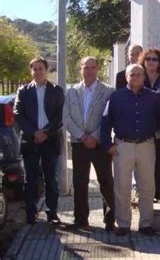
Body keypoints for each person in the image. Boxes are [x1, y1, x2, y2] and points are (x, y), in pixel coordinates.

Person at [101, 64, 160, 236]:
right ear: (126, 77)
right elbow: (106, 121)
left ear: (144, 77)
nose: (136, 77)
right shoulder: (116, 97)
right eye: (132, 74)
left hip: (146, 145)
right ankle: (123, 224)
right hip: (123, 146)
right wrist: (108, 144)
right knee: (122, 186)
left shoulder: (153, 97)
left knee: (147, 186)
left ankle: (146, 224)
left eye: (139, 74)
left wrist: (151, 129)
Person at [63, 56, 115, 231]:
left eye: (93, 67)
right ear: (80, 69)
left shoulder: (108, 91)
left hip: (100, 143)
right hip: (79, 143)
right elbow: (66, 117)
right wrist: (83, 136)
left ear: (97, 69)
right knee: (79, 182)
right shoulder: (72, 92)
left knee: (106, 181)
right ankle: (81, 219)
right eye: (86, 67)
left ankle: (109, 220)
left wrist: (95, 136)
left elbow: (109, 119)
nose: (89, 70)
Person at [14, 57, 64, 224]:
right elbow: (18, 115)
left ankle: (51, 212)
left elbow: (60, 116)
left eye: (40, 68)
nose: (37, 71)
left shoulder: (56, 90)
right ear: (31, 71)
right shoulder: (23, 91)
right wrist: (34, 133)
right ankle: (31, 212)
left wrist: (46, 133)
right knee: (31, 179)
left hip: (50, 141)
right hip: (30, 141)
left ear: (46, 70)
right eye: (34, 69)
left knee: (51, 179)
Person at [139, 48, 160, 204]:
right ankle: (146, 193)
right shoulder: (139, 76)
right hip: (143, 126)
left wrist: (146, 96)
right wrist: (154, 96)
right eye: (148, 59)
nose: (151, 62)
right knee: (144, 162)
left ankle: (159, 193)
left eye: (155, 59)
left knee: (159, 162)